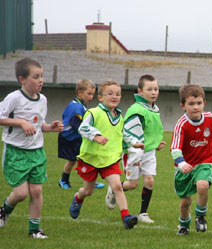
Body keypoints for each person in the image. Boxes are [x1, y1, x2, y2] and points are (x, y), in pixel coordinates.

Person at [0, 57, 63, 238]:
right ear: (22, 80)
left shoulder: (42, 99)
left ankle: (34, 229)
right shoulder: (14, 98)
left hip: (37, 152)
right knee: (20, 194)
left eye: (41, 76)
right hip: (15, 151)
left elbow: (39, 124)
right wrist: (20, 122)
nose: (41, 80)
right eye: (36, 77)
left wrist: (50, 127)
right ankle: (4, 210)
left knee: (36, 190)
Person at [69, 80, 138, 229]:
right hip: (91, 159)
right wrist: (96, 136)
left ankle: (126, 217)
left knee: (117, 187)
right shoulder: (94, 113)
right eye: (110, 94)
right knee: (88, 191)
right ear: (100, 97)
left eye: (118, 94)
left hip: (110, 159)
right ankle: (78, 198)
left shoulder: (119, 116)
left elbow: (123, 134)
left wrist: (134, 143)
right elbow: (82, 128)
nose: (115, 96)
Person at [107, 74, 166, 224]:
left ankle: (143, 213)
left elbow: (150, 131)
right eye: (150, 89)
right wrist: (134, 145)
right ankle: (115, 188)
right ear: (140, 92)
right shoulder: (136, 109)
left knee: (149, 181)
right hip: (134, 152)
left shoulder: (154, 109)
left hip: (149, 152)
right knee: (132, 184)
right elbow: (129, 131)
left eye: (156, 89)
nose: (154, 92)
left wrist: (155, 144)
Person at [170, 84, 212, 235]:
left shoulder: (209, 118)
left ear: (204, 103)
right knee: (185, 202)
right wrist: (182, 163)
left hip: (204, 161)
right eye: (191, 104)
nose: (196, 107)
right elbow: (175, 148)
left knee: (203, 185)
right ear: (183, 106)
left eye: (199, 103)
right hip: (185, 166)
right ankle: (183, 225)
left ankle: (200, 216)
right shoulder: (182, 124)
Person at [58, 79, 104, 190]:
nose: (91, 97)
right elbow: (76, 124)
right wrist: (91, 133)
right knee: (73, 160)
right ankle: (64, 180)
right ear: (79, 93)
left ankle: (90, 181)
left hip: (75, 137)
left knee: (85, 158)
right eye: (89, 94)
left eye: (93, 94)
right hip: (69, 138)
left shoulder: (79, 105)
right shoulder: (77, 107)